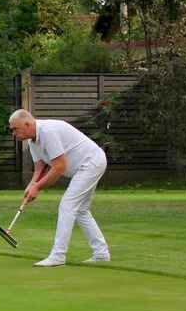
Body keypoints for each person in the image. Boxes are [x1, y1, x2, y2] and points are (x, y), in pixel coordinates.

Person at [9, 109, 110, 267]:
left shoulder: (48, 132)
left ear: (27, 124)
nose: (13, 133)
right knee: (81, 210)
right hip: (84, 166)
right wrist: (31, 185)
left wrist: (38, 187)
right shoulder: (32, 141)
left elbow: (59, 167)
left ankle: (58, 255)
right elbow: (39, 169)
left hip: (91, 162)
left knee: (67, 205)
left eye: (15, 129)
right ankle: (101, 253)